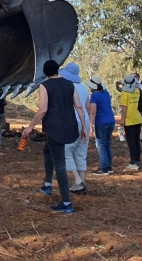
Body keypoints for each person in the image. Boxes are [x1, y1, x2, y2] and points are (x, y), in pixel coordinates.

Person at [23, 60, 87, 213]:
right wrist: (84, 127)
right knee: (47, 151)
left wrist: (30, 126)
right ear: (58, 70)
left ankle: (66, 202)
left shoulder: (45, 85)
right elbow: (79, 106)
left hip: (55, 129)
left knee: (60, 164)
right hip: (71, 127)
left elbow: (43, 109)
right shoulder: (70, 84)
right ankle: (47, 183)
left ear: (45, 73)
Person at [60, 62, 91, 194]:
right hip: (85, 122)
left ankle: (78, 181)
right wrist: (86, 124)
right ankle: (82, 182)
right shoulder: (83, 87)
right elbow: (87, 107)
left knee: (66, 153)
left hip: (72, 122)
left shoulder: (68, 87)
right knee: (81, 153)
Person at [86, 75, 115, 175]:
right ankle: (109, 166)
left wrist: (91, 125)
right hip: (111, 120)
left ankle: (104, 168)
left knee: (100, 145)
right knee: (107, 143)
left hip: (101, 122)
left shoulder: (94, 96)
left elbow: (93, 111)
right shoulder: (106, 92)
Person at [118, 73, 142, 170]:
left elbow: (124, 108)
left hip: (129, 120)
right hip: (138, 118)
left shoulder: (125, 93)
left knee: (131, 141)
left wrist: (122, 120)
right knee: (136, 141)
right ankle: (137, 160)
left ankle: (133, 162)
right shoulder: (137, 91)